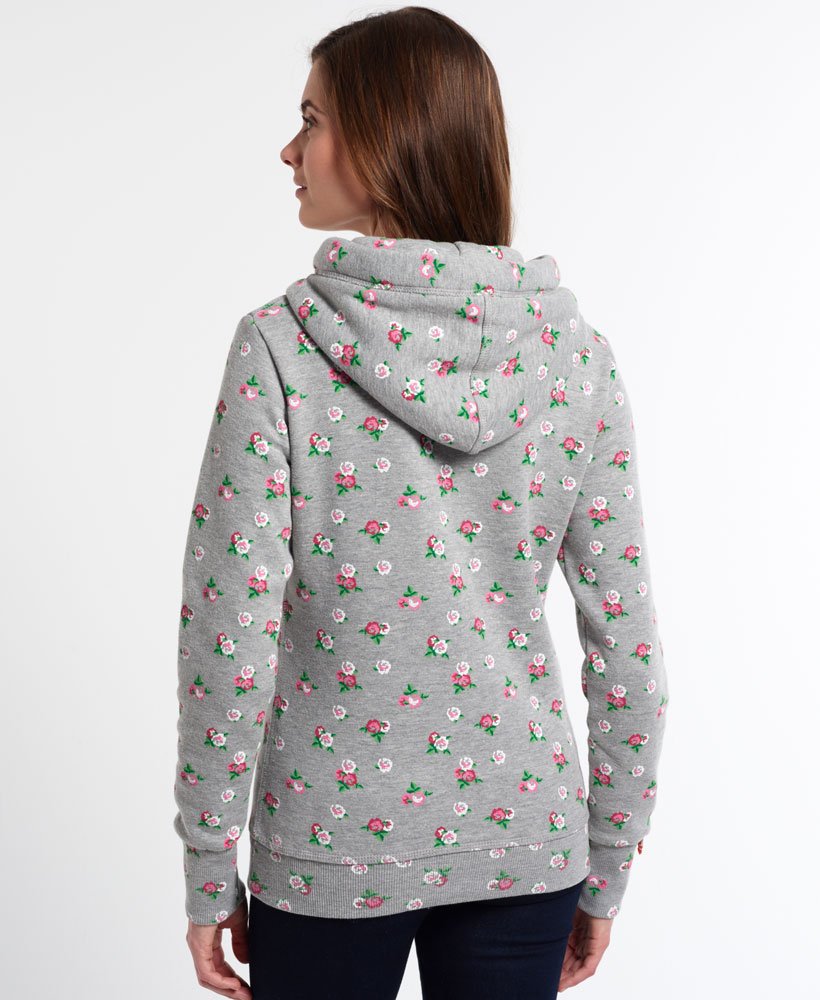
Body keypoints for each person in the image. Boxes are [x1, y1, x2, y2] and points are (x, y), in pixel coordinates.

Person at [173, 7, 670, 998]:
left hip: (327, 841)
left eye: (311, 119)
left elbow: (230, 634)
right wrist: (608, 862)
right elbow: (629, 647)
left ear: (383, 133)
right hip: (527, 836)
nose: (289, 150)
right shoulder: (576, 359)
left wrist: (206, 861)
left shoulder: (280, 347)